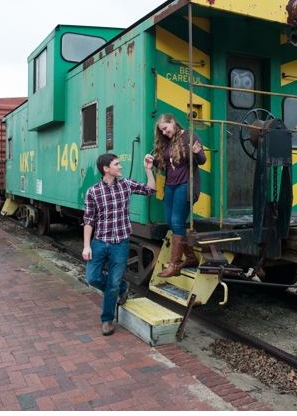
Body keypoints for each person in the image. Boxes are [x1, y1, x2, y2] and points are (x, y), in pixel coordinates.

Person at [82, 153, 156, 336]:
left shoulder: (126, 185)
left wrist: (149, 171)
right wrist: (86, 246)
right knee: (92, 278)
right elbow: (89, 220)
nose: (121, 166)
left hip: (120, 243)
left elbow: (150, 190)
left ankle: (107, 320)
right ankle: (123, 287)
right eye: (117, 164)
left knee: (112, 282)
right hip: (100, 242)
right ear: (106, 169)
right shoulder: (93, 191)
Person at [150, 113, 206, 277]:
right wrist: (153, 161)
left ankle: (174, 266)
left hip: (185, 185)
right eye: (162, 131)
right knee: (172, 222)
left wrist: (196, 152)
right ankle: (190, 257)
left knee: (177, 221)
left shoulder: (190, 136)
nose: (165, 133)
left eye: (166, 129)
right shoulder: (167, 142)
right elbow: (166, 166)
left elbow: (202, 160)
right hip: (170, 187)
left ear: (173, 122)